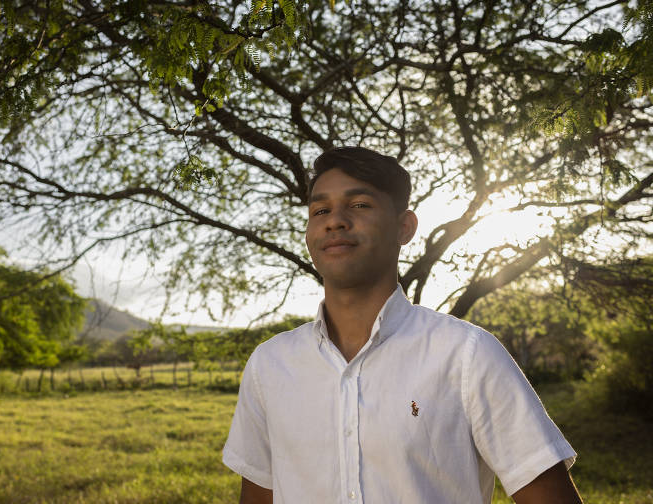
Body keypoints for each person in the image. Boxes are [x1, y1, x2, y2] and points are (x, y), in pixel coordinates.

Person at [222, 146, 582, 504]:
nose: (335, 220)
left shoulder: (467, 356)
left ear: (404, 227)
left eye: (360, 204)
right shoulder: (270, 364)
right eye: (320, 210)